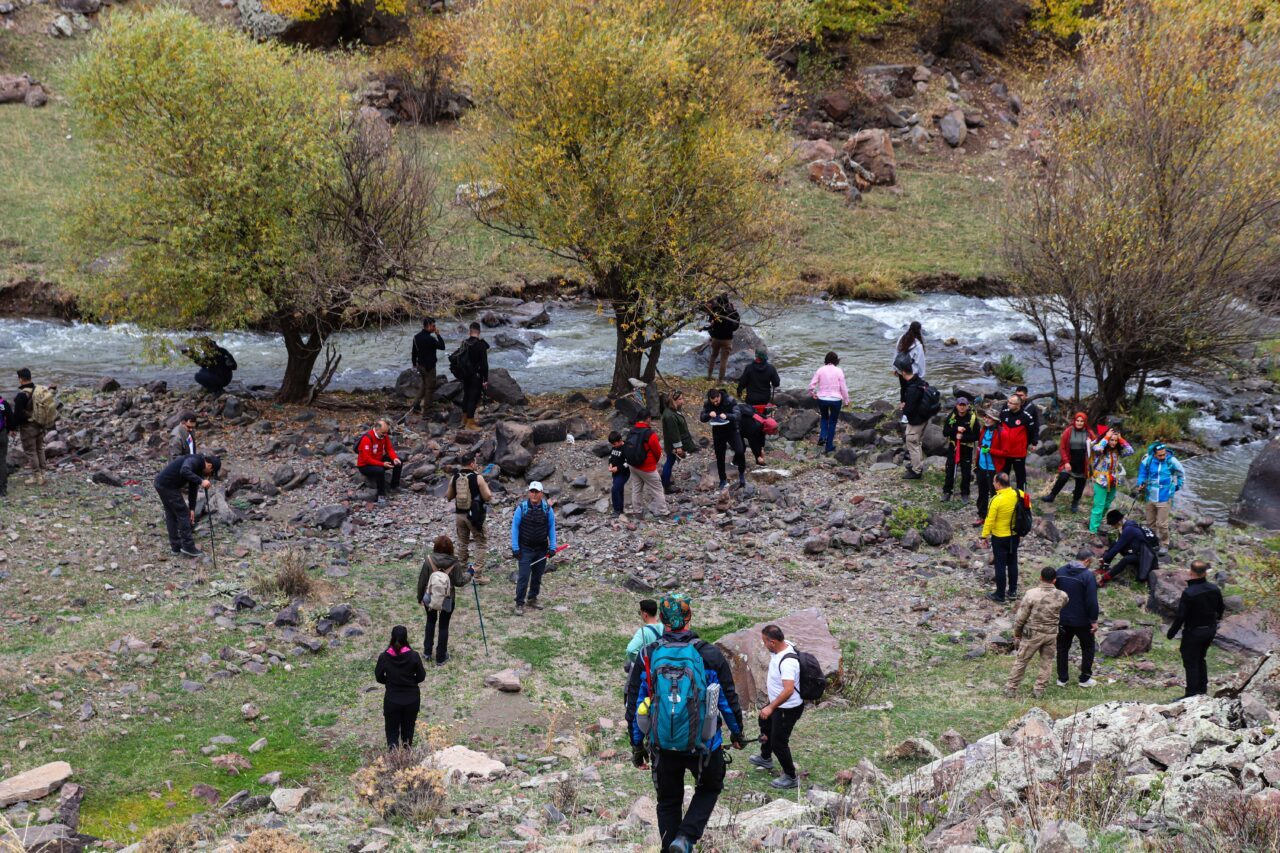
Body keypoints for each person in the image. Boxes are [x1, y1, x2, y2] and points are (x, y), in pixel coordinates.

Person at [625, 594, 746, 853]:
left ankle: (671, 846)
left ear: (663, 619)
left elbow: (635, 703)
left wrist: (637, 744)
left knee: (668, 801)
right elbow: (727, 699)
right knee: (710, 787)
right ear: (689, 617)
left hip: (662, 743)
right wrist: (737, 733)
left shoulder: (648, 654)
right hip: (704, 744)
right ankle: (685, 838)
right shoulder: (709, 654)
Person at [749, 625, 804, 790]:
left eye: (764, 642)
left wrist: (771, 707)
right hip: (779, 704)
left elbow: (788, 690)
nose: (764, 645)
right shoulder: (783, 646)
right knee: (764, 722)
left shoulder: (788, 663)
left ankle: (790, 777)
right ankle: (765, 757)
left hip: (787, 708)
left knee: (779, 742)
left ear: (772, 642)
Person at [1004, 567, 1068, 699]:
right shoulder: (1062, 595)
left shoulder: (1031, 594)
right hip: (1051, 633)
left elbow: (1021, 617)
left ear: (1040, 577)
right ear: (1054, 580)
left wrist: (1017, 632)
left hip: (1032, 633)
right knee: (1047, 662)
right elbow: (1062, 606)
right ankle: (1039, 690)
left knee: (1022, 660)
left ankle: (1011, 688)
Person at [1167, 560, 1224, 698]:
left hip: (1194, 631)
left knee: (1190, 661)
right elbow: (1221, 609)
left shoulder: (1189, 592)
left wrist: (1171, 633)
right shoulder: (1214, 589)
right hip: (1209, 630)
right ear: (1205, 573)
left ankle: (1191, 694)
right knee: (1200, 658)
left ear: (1191, 572)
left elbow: (1181, 615)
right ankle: (1202, 690)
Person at [154, 452, 220, 557]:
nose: (209, 475)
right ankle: (188, 546)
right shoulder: (195, 460)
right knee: (183, 513)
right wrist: (201, 481)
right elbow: (184, 470)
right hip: (167, 485)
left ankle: (176, 547)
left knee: (171, 513)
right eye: (211, 472)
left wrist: (192, 508)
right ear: (209, 465)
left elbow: (193, 488)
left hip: (162, 483)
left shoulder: (198, 468)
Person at [416, 535, 468, 666]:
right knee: (444, 626)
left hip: (430, 597)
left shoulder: (428, 561)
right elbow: (460, 582)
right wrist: (470, 574)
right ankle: (441, 657)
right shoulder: (454, 563)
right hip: (447, 599)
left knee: (430, 622)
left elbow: (422, 581)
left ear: (436, 547)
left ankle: (427, 652)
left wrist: (420, 598)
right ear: (451, 549)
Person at [374, 625, 426, 749]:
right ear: (406, 638)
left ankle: (393, 757)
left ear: (391, 638)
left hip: (392, 700)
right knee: (408, 731)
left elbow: (379, 677)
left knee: (392, 733)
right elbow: (421, 676)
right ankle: (407, 755)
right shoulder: (414, 656)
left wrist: (390, 682)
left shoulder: (384, 657)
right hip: (412, 699)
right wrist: (411, 682)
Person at [1055, 547, 1099, 688]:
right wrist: (1093, 620)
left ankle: (1062, 679)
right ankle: (1084, 679)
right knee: (1088, 647)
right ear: (1087, 560)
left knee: (1062, 648)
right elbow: (1091, 601)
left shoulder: (1060, 571)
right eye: (1091, 562)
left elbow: (1054, 594)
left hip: (1063, 618)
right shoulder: (1088, 576)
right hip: (1082, 620)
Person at [510, 481, 557, 615]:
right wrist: (515, 547)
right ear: (529, 493)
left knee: (537, 576)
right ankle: (519, 603)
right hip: (525, 549)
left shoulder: (547, 509)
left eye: (537, 492)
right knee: (523, 577)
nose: (534, 494)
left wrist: (553, 546)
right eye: (532, 491)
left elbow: (551, 528)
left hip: (541, 549)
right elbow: (515, 528)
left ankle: (532, 598)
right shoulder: (522, 508)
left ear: (541, 493)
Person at [981, 471, 1026, 603]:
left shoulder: (996, 500)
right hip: (1014, 535)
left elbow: (989, 520)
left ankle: (1000, 595)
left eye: (994, 481)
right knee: (1012, 563)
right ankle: (1012, 591)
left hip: (1000, 537)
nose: (993, 483)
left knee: (1000, 565)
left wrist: (984, 536)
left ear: (999, 484)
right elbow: (1028, 508)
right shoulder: (1019, 493)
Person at [1135, 442, 1185, 555]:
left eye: (1164, 454)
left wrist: (1177, 486)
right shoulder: (1147, 460)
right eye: (1160, 455)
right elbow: (1142, 473)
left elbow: (1181, 473)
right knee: (1150, 522)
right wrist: (1140, 482)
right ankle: (1153, 542)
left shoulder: (1172, 461)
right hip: (1150, 496)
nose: (1163, 457)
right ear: (1154, 454)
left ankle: (1164, 544)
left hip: (1165, 496)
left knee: (1162, 524)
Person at [1042, 412, 1096, 513]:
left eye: (1082, 421)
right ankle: (1052, 495)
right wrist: (1066, 462)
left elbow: (1096, 446)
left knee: (1080, 483)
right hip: (1070, 460)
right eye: (1077, 421)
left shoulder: (1089, 433)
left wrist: (1092, 443)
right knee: (1063, 477)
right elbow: (1062, 447)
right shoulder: (1069, 431)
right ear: (1074, 421)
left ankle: (1075, 503)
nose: (1079, 423)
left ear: (1085, 422)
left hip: (1083, 462)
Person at [446, 452, 492, 568]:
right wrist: (485, 485)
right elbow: (488, 496)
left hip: (459, 515)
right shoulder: (478, 477)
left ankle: (462, 570)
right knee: (480, 543)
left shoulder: (455, 477)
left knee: (462, 543)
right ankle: (477, 574)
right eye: (475, 462)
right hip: (474, 516)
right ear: (472, 464)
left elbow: (449, 496)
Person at [1088, 428, 1134, 534]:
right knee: (1099, 506)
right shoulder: (1100, 449)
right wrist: (1106, 437)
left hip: (1113, 481)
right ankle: (1093, 531)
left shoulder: (1117, 451)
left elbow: (1130, 451)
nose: (1113, 442)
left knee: (1106, 505)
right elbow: (1097, 448)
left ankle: (1096, 523)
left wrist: (1121, 439)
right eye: (1111, 440)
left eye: (1115, 440)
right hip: (1100, 481)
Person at [1097, 509, 1159, 588]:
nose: (1113, 527)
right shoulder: (1129, 524)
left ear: (1119, 522)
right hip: (1137, 549)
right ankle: (1105, 566)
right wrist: (1106, 558)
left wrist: (1104, 558)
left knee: (1126, 559)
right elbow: (1117, 544)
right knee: (1115, 543)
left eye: (1113, 525)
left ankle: (1105, 578)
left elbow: (1117, 547)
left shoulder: (1128, 529)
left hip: (1143, 556)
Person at [700, 389, 746, 490]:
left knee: (740, 451)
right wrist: (708, 414)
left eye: (717, 401)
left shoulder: (729, 400)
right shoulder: (708, 403)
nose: (715, 403)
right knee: (720, 456)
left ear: (719, 396)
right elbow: (702, 417)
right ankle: (722, 479)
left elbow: (738, 415)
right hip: (718, 431)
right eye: (713, 402)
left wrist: (727, 416)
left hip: (732, 430)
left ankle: (742, 474)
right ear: (710, 399)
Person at [12, 368, 51, 485]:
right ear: (30, 377)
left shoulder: (21, 395)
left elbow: (18, 416)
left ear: (20, 379)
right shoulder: (38, 390)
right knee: (40, 449)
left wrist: (13, 427)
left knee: (31, 452)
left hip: (28, 428)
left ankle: (37, 477)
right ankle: (43, 473)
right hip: (40, 425)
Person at [625, 414, 668, 517]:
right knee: (657, 489)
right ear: (647, 418)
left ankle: (637, 511)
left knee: (636, 489)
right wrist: (654, 462)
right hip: (647, 467)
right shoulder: (650, 434)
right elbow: (657, 451)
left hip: (633, 465)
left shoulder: (632, 431)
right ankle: (663, 511)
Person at [808, 352, 849, 454]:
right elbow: (843, 388)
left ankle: (822, 436)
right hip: (836, 400)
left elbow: (812, 384)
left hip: (822, 399)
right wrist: (846, 400)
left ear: (826, 360)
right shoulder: (839, 371)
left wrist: (812, 393)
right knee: (833, 422)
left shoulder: (820, 370)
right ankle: (829, 446)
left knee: (824, 418)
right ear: (836, 361)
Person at [896, 361, 929, 480]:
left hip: (916, 420)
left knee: (911, 442)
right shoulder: (920, 382)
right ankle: (917, 464)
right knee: (917, 442)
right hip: (925, 417)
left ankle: (916, 471)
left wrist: (903, 407)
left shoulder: (912, 388)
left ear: (904, 372)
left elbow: (909, 409)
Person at [454, 322, 490, 431]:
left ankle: (464, 418)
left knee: (466, 395)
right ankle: (470, 423)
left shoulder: (464, 343)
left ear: (470, 331)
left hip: (465, 375)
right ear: (479, 332)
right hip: (476, 376)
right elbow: (484, 365)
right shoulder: (481, 345)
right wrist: (485, 379)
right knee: (473, 398)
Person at [356, 420, 402, 503]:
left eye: (386, 432)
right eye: (383, 433)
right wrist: (382, 464)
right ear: (377, 429)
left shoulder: (384, 436)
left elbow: (389, 448)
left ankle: (394, 486)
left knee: (399, 462)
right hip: (365, 466)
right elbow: (367, 459)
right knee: (380, 470)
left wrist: (394, 458)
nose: (385, 435)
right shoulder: (367, 438)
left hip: (378, 460)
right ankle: (381, 495)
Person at [941, 396, 978, 502]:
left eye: (964, 405)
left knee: (966, 471)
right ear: (956, 405)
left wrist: (963, 437)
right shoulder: (952, 416)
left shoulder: (972, 418)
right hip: (953, 447)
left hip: (967, 447)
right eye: (960, 405)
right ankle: (947, 492)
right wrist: (956, 429)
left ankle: (965, 493)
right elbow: (945, 432)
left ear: (967, 406)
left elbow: (976, 436)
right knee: (950, 468)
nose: (962, 407)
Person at [659, 391, 694, 495]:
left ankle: (665, 480)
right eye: (680, 399)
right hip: (672, 444)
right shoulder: (670, 415)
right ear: (673, 401)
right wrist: (678, 447)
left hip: (672, 443)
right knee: (669, 462)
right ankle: (666, 485)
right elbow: (673, 432)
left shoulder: (674, 410)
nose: (682, 401)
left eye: (682, 398)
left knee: (670, 461)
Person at [974, 407, 1003, 526]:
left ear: (995, 420)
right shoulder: (984, 429)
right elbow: (980, 445)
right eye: (985, 416)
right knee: (982, 491)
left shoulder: (1001, 433)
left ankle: (995, 518)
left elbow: (1005, 452)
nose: (986, 419)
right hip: (982, 466)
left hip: (993, 468)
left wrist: (990, 450)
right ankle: (982, 515)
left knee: (994, 494)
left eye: (989, 418)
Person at [410, 316, 446, 415]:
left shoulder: (416, 337)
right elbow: (442, 346)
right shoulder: (430, 339)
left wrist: (414, 364)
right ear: (429, 326)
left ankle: (415, 405)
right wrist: (438, 335)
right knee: (430, 388)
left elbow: (414, 352)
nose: (435, 328)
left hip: (420, 365)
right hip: (429, 367)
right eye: (433, 326)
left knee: (423, 385)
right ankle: (427, 409)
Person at [998, 395, 1034, 492]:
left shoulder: (1026, 417)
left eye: (1011, 403)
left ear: (1018, 405)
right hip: (1005, 452)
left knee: (1020, 477)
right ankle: (1004, 495)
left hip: (1019, 453)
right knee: (1003, 476)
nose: (1008, 404)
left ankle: (1021, 497)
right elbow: (999, 429)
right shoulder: (1003, 414)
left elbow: (1031, 434)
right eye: (1008, 402)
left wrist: (1023, 445)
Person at [701, 295, 740, 382]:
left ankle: (709, 377)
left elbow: (711, 324)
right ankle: (720, 380)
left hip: (716, 338)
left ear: (718, 302)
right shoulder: (732, 312)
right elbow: (736, 325)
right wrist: (734, 310)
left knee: (713, 356)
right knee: (724, 360)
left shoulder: (715, 311)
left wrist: (705, 328)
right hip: (727, 339)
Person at [624, 599, 663, 671]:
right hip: (663, 667)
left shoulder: (643, 632)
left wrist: (641, 662)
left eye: (640, 613)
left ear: (645, 615)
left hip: (650, 670)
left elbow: (630, 650)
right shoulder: (664, 627)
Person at [607, 431, 629, 516]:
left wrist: (618, 468)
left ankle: (616, 510)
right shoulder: (614, 447)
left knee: (615, 489)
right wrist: (610, 465)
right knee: (619, 490)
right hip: (615, 473)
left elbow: (628, 462)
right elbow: (611, 457)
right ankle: (621, 509)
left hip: (623, 473)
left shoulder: (626, 448)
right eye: (612, 444)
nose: (613, 446)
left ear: (620, 440)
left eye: (614, 444)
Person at [0, 392, 12, 499]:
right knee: (2, 461)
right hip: (2, 434)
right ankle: (2, 490)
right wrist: (9, 430)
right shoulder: (3, 403)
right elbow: (11, 419)